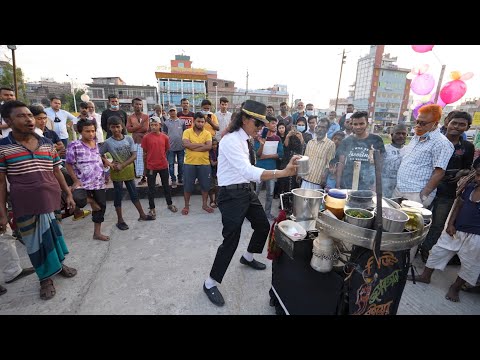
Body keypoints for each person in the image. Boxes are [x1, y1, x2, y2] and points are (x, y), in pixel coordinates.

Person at [203, 100, 300, 307]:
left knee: (263, 225)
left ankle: (247, 257)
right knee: (231, 239)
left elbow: (250, 169)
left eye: (263, 125)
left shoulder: (245, 138)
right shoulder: (230, 141)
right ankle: (210, 282)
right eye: (258, 124)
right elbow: (248, 171)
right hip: (230, 196)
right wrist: (282, 172)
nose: (261, 128)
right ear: (245, 119)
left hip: (245, 190)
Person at [0, 100, 77, 301]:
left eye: (30, 116)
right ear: (8, 120)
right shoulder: (3, 148)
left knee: (55, 235)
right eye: (21, 116)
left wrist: (67, 193)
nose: (29, 120)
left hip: (51, 200)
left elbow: (56, 170)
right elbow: (0, 183)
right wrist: (2, 213)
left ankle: (58, 265)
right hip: (25, 205)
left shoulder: (46, 143)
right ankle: (45, 279)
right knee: (35, 244)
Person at [407, 157, 480, 303]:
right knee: (438, 250)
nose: (478, 178)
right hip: (456, 229)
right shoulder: (471, 187)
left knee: (471, 263)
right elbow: (459, 204)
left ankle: (455, 288)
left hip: (476, 237)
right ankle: (425, 276)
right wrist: (450, 224)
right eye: (478, 174)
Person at [419, 112, 474, 261]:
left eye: (462, 124)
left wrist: (460, 173)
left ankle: (426, 251)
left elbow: (468, 168)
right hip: (426, 188)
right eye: (454, 123)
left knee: (437, 224)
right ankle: (412, 247)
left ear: (467, 127)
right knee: (418, 219)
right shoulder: (433, 140)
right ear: (447, 122)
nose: (457, 127)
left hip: (447, 192)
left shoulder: (467, 147)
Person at [393, 104, 454, 207]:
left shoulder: (441, 143)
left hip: (416, 193)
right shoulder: (417, 136)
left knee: (410, 222)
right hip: (400, 189)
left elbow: (439, 173)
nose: (418, 126)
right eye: (417, 122)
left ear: (435, 124)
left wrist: (423, 196)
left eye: (423, 123)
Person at [100, 116, 154, 230]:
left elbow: (134, 155)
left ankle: (142, 215)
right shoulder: (108, 142)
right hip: (117, 173)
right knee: (118, 196)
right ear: (109, 128)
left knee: (134, 193)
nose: (116, 129)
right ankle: (120, 220)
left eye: (118, 126)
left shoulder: (128, 139)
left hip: (128, 171)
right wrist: (109, 164)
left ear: (122, 126)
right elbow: (99, 154)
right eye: (113, 127)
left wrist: (122, 165)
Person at [65, 119, 109, 241]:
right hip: (82, 182)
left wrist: (106, 172)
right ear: (80, 131)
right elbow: (68, 164)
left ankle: (97, 233)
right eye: (87, 131)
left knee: (101, 208)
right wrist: (75, 180)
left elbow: (99, 158)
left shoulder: (95, 143)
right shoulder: (74, 145)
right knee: (79, 199)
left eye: (93, 131)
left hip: (98, 181)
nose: (91, 134)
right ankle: (91, 201)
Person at [336, 111, 385, 190]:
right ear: (352, 125)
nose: (358, 127)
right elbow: (341, 163)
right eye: (355, 124)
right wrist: (338, 185)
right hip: (347, 184)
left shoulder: (376, 140)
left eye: (361, 124)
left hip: (367, 185)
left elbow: (380, 165)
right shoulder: (346, 141)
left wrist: (376, 186)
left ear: (367, 124)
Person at [141, 116, 177, 218]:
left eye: (155, 125)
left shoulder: (165, 137)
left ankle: (169, 204)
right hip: (151, 167)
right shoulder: (146, 138)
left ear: (160, 125)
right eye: (151, 125)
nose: (153, 127)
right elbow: (145, 153)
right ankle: (152, 208)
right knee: (151, 188)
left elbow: (166, 150)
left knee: (166, 186)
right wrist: (145, 169)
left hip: (163, 165)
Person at [181, 112, 213, 215]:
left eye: (202, 122)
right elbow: (186, 144)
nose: (200, 124)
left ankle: (204, 205)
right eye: (198, 121)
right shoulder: (187, 132)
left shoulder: (207, 133)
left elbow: (209, 147)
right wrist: (201, 145)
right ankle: (186, 206)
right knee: (188, 186)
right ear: (194, 121)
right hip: (189, 163)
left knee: (205, 186)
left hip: (204, 164)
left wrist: (192, 145)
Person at [254, 117, 283, 220]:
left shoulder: (277, 139)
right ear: (267, 125)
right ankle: (252, 214)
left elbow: (280, 154)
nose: (275, 126)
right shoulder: (258, 137)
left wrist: (266, 156)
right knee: (255, 193)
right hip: (259, 170)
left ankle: (267, 214)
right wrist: (262, 144)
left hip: (272, 170)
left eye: (276, 124)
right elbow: (258, 154)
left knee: (270, 194)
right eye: (272, 123)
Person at [301, 117, 335, 190]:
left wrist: (324, 176)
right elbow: (305, 159)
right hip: (305, 179)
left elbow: (330, 163)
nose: (320, 129)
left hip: (318, 182)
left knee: (315, 201)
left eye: (323, 127)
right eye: (319, 126)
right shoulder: (310, 142)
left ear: (327, 130)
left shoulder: (330, 144)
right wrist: (300, 174)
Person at [126, 98, 150, 185]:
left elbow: (145, 128)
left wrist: (135, 129)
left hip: (144, 140)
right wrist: (139, 126)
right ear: (133, 105)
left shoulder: (145, 116)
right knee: (137, 160)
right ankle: (141, 176)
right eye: (136, 104)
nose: (138, 106)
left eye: (140, 104)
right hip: (135, 141)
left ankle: (146, 177)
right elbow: (128, 129)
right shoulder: (130, 117)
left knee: (145, 159)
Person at [381, 124, 407, 198]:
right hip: (385, 185)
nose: (401, 136)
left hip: (401, 187)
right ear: (392, 135)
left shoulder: (409, 150)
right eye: (398, 133)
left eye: (403, 134)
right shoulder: (384, 149)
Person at [163, 106, 186, 188]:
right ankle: (173, 179)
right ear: (168, 112)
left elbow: (185, 134)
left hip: (181, 147)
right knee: (171, 164)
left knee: (181, 164)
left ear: (176, 111)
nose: (172, 112)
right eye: (170, 111)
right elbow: (164, 135)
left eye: (174, 111)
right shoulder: (166, 123)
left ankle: (180, 178)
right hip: (170, 148)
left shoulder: (182, 122)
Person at [208, 138, 219, 208]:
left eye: (216, 144)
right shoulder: (209, 152)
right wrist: (220, 159)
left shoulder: (219, 151)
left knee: (217, 187)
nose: (214, 146)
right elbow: (212, 163)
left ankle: (216, 200)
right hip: (211, 170)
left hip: (218, 171)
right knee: (211, 187)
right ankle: (211, 201)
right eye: (213, 145)